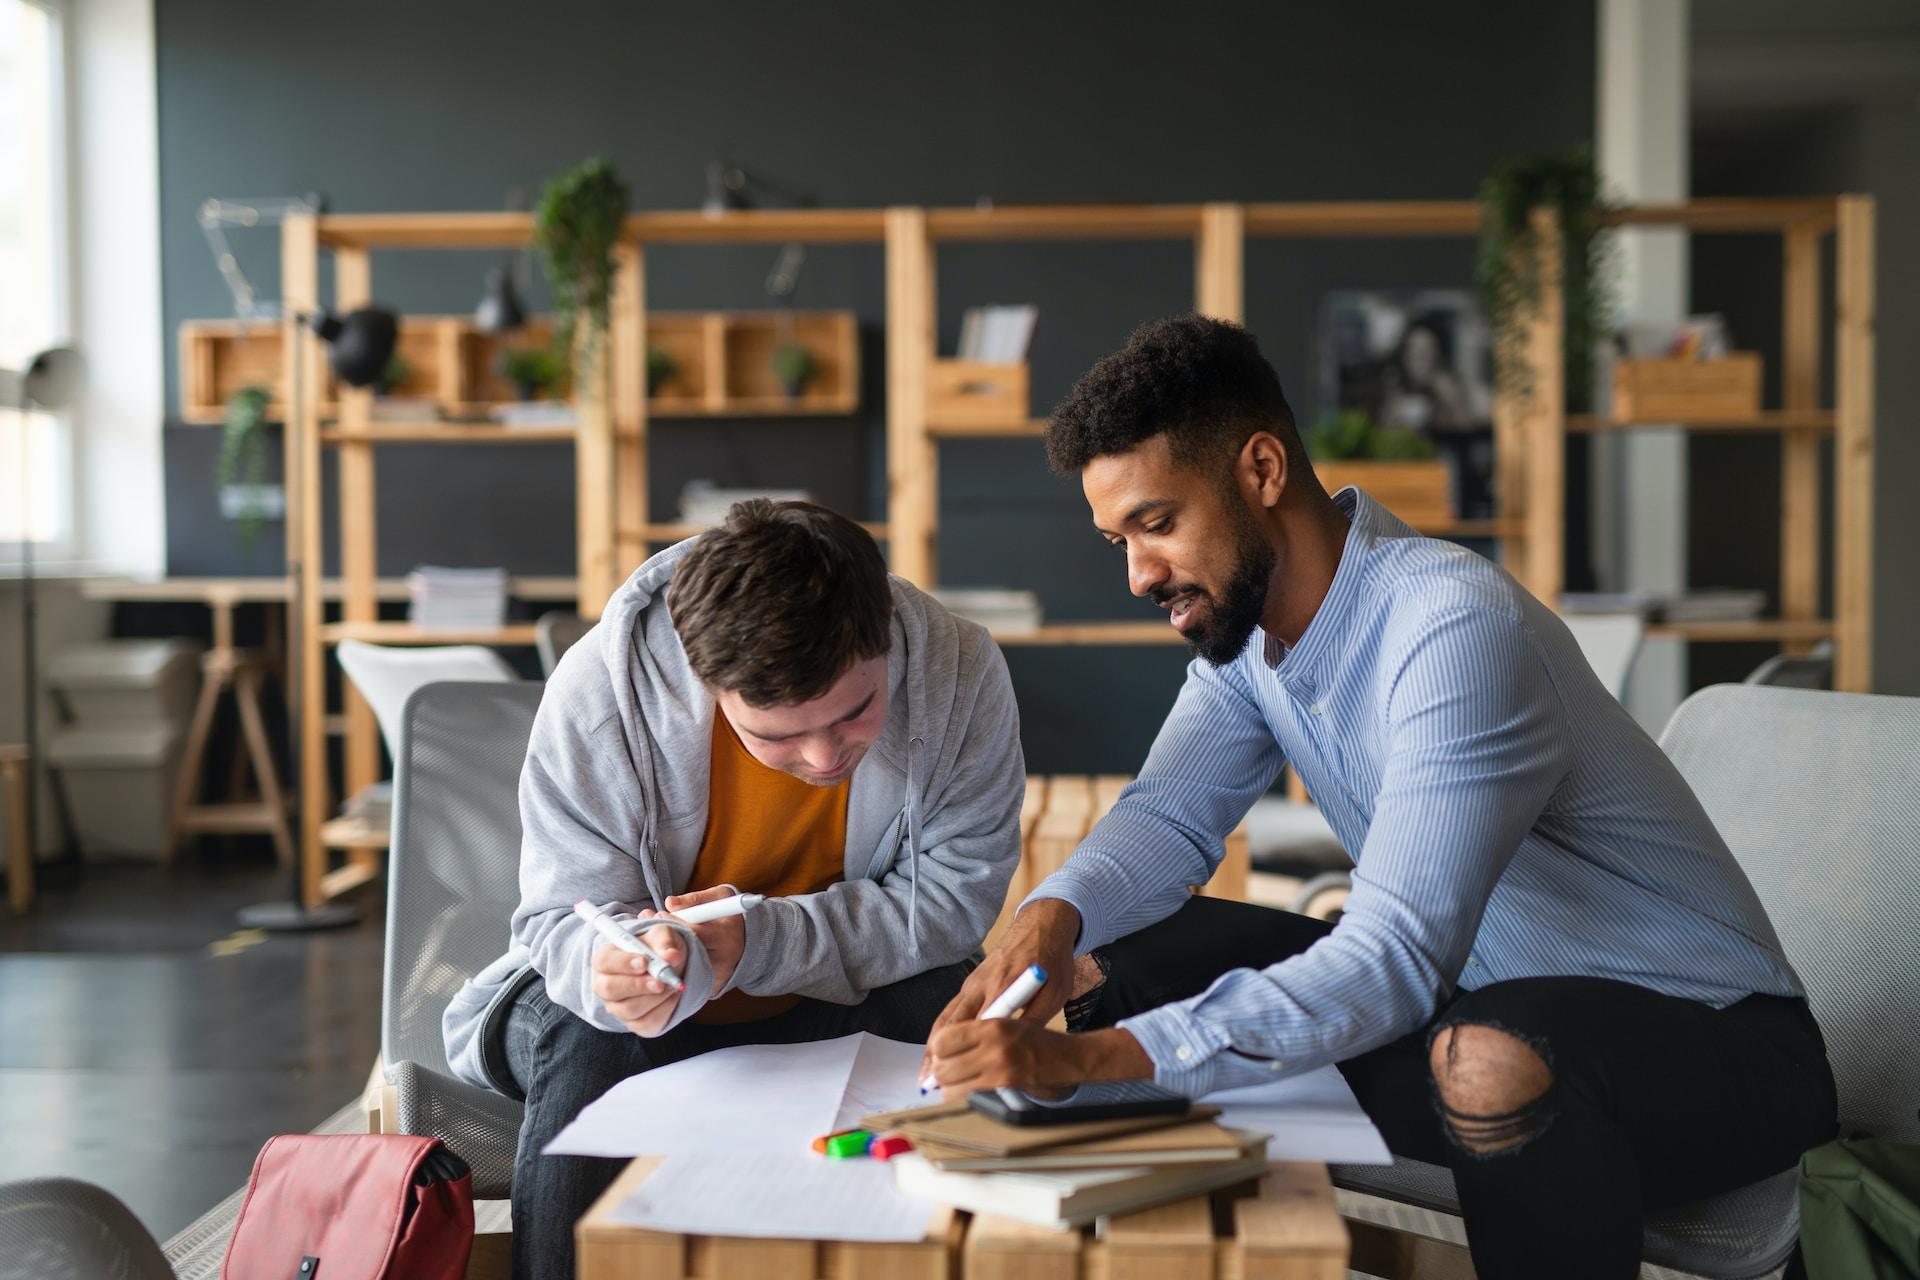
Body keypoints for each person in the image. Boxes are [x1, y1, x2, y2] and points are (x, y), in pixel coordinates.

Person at [924, 315, 1836, 1279]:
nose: (1139, 574)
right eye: (1118, 538)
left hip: (1717, 1051)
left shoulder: (1451, 626)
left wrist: (1095, 1064)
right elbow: (1166, 818)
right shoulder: (1248, 641)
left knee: (1487, 1053)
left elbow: (1394, 956)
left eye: (1156, 524)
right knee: (1107, 963)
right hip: (1476, 1001)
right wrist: (1045, 921)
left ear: (1262, 470)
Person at [445, 500, 1024, 1280]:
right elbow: (561, 920)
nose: (824, 758)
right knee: (594, 1041)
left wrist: (756, 942)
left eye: (856, 713)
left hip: (831, 995)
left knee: (952, 1014)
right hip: (619, 1017)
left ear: (883, 622)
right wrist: (609, 971)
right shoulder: (601, 692)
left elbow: (953, 902)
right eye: (776, 736)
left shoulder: (961, 671)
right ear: (704, 676)